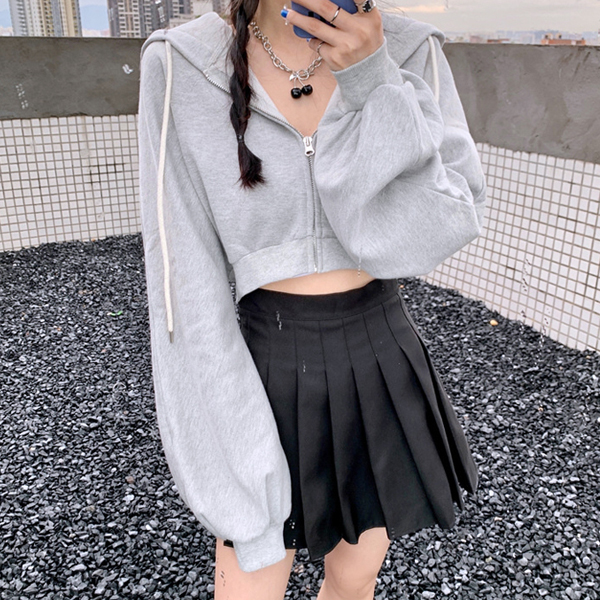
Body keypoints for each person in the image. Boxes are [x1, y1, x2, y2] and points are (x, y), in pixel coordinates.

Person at [137, 0, 487, 596]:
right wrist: (224, 449)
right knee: (248, 582)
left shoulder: (411, 51)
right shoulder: (180, 65)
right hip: (261, 366)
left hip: (382, 360)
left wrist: (373, 79)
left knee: (353, 582)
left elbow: (441, 226)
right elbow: (184, 288)